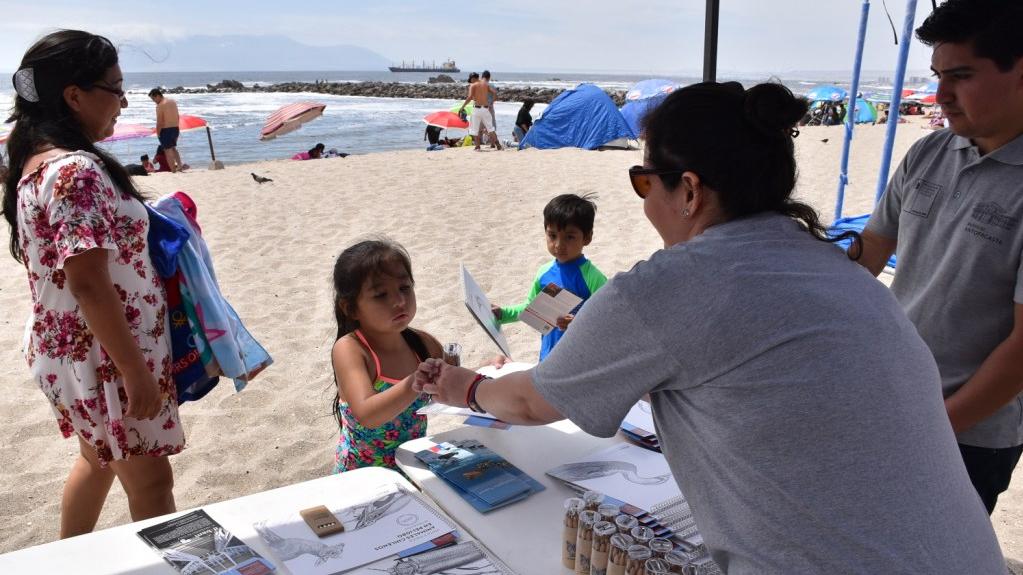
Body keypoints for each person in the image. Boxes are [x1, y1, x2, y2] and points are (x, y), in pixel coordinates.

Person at [413, 82, 1006, 574]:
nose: (645, 200)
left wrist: (462, 387)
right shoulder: (832, 266)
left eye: (645, 181)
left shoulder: (672, 284)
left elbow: (531, 401)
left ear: (689, 190)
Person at [1, 30, 185, 538]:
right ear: (74, 95)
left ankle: (63, 558)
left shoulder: (36, 163)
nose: (124, 103)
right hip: (105, 354)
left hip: (72, 348)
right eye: (116, 89)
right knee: (151, 481)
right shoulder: (76, 171)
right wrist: (135, 371)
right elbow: (88, 283)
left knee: (98, 459)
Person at [854, 0, 1023, 515]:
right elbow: (867, 254)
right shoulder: (928, 152)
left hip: (969, 432)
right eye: (937, 75)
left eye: (962, 76)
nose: (940, 95)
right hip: (887, 394)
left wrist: (933, 425)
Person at [329, 239, 444, 472]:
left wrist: (487, 369)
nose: (399, 301)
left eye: (404, 288)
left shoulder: (423, 344)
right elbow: (367, 414)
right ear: (350, 308)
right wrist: (413, 383)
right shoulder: (351, 349)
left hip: (413, 469)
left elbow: (453, 390)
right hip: (362, 476)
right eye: (381, 295)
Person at [491, 194, 607, 361]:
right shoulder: (544, 273)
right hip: (548, 355)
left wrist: (577, 321)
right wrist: (503, 313)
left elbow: (607, 316)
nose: (559, 244)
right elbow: (531, 308)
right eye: (552, 236)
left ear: (587, 238)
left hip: (582, 360)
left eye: (569, 237)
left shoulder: (593, 278)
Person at [458, 69, 501, 151]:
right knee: (490, 128)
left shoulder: (473, 85)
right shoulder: (485, 84)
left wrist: (462, 107)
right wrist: (491, 102)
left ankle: (477, 146)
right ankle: (498, 144)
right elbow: (495, 92)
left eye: (470, 80)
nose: (470, 82)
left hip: (477, 109)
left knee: (475, 129)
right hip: (485, 109)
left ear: (473, 78)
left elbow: (470, 97)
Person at [148, 88, 182, 172]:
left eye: (153, 99)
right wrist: (177, 127)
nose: (154, 101)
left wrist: (158, 133)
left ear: (158, 96)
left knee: (168, 150)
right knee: (173, 148)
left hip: (166, 130)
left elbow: (160, 121)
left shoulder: (160, 105)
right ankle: (180, 166)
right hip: (175, 128)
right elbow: (177, 116)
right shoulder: (172, 101)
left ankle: (173, 170)